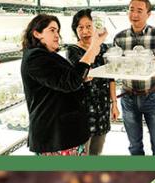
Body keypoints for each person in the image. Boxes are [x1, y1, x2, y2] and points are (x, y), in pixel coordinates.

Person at [20, 14, 107, 155]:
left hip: (64, 134)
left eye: (58, 31)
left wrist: (81, 78)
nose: (57, 35)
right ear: (37, 33)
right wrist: (93, 47)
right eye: (52, 30)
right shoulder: (35, 58)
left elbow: (62, 80)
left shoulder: (47, 55)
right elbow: (70, 82)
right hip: (56, 137)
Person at [113, 0, 155, 155]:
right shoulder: (120, 38)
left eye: (139, 10)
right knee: (134, 146)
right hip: (128, 97)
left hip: (152, 96)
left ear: (148, 14)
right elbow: (113, 67)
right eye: (131, 10)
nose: (134, 14)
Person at [66, 9, 120, 155]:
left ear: (96, 26)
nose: (85, 31)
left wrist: (114, 104)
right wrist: (94, 45)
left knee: (97, 152)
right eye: (80, 27)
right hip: (83, 110)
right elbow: (81, 77)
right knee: (83, 153)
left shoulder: (104, 48)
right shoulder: (73, 51)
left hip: (102, 108)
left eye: (89, 26)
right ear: (75, 30)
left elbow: (111, 78)